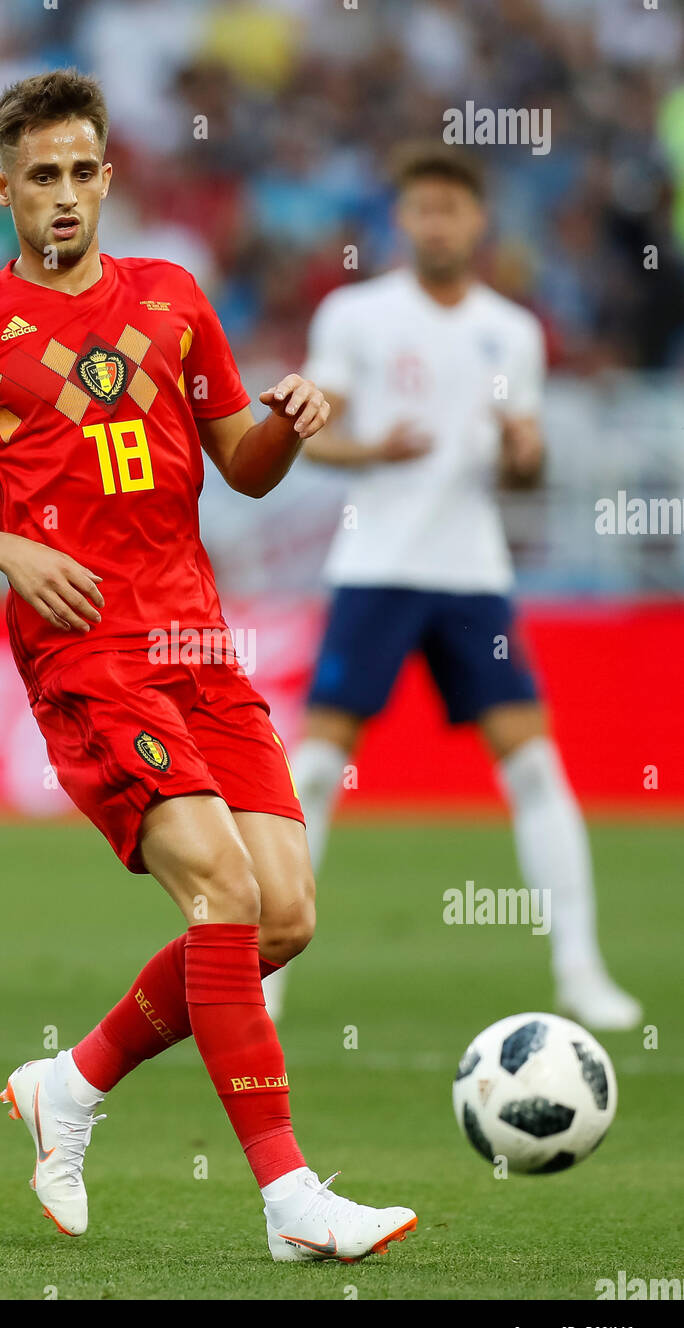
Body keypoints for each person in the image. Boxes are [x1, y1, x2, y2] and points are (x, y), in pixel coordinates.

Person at [0, 69, 417, 1263]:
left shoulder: (173, 297)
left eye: (81, 173)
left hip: (197, 643)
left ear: (107, 176)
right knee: (221, 892)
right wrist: (9, 547)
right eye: (39, 178)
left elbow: (246, 464)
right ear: (0, 189)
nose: (64, 197)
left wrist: (290, 417)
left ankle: (70, 1084)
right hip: (86, 653)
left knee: (282, 918)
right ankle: (289, 1198)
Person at [264, 144, 641, 1033]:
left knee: (537, 765)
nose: (436, 223)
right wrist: (373, 452)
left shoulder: (510, 331)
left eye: (452, 209)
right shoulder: (357, 315)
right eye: (422, 208)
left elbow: (523, 465)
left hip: (472, 573)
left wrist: (524, 454)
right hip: (377, 565)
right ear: (403, 221)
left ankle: (581, 970)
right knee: (316, 764)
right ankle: (267, 969)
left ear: (478, 223)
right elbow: (309, 436)